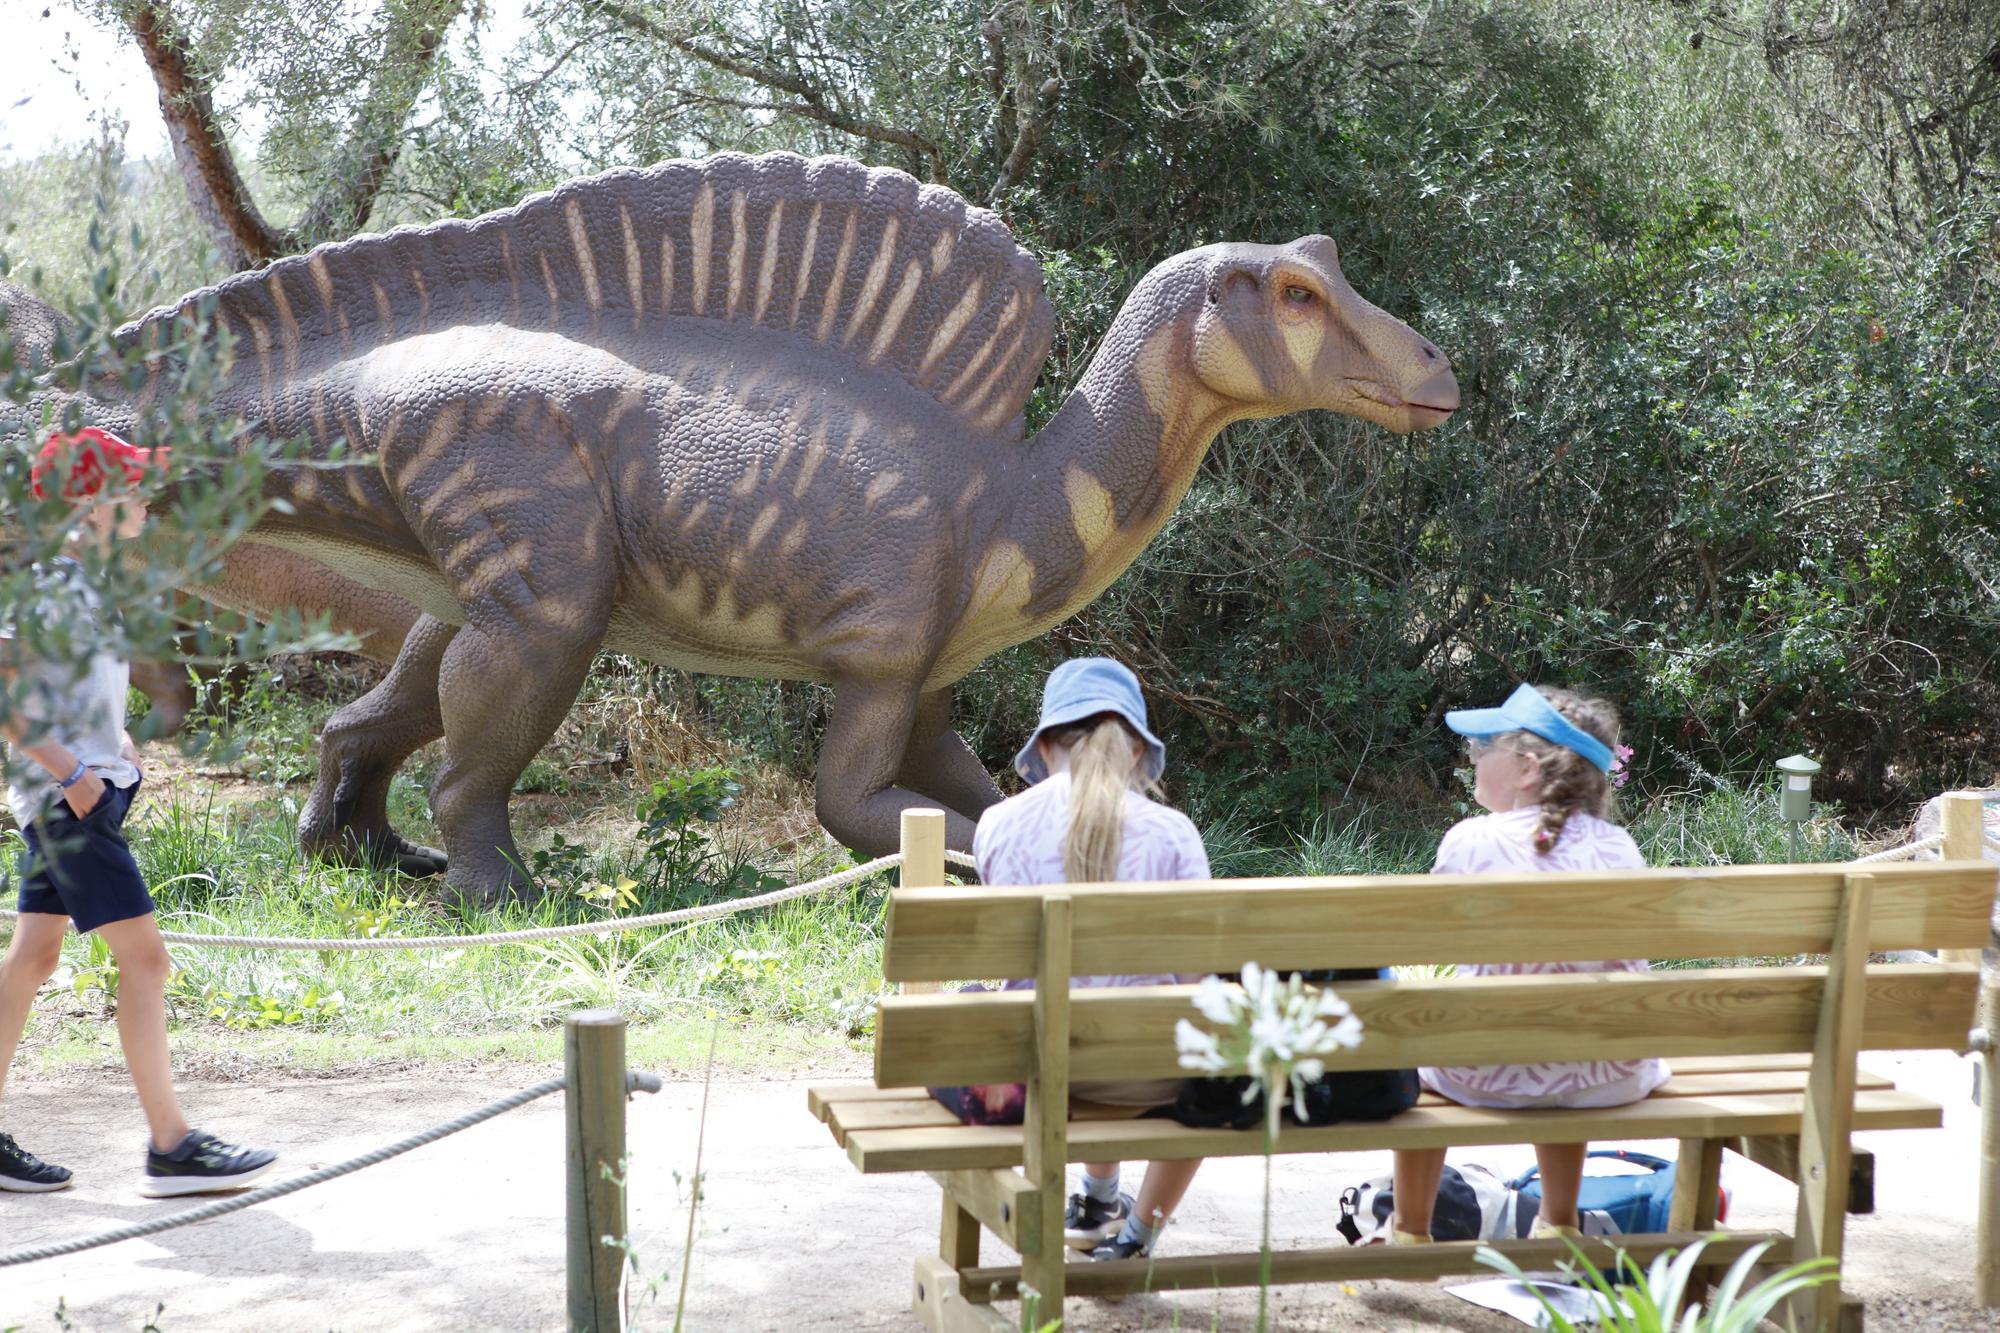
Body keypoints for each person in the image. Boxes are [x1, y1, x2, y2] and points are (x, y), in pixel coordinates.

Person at [0, 427, 278, 1197]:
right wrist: (75, 772)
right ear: (87, 504)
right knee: (147, 959)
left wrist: (111, 740)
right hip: (65, 803)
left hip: (79, 790)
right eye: (132, 492)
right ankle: (172, 1145)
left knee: (33, 960)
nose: (148, 504)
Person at [938, 657, 1209, 1262]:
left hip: (1032, 1071)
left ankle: (1096, 1198)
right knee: (1214, 1054)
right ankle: (1135, 1235)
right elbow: (1197, 986)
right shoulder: (1173, 834)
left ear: (1047, 745)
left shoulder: (998, 826)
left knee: (1056, 1010)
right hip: (1151, 1073)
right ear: (1136, 751)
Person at [1386, 684, 1666, 1245]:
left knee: (1416, 1038)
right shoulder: (1619, 849)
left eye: (1481, 747)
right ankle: (1557, 1221)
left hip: (1484, 1073)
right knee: (1571, 1028)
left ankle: (1410, 1227)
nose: (1471, 761)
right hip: (1607, 1077)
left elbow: (1437, 942)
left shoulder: (1470, 841)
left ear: (1526, 767)